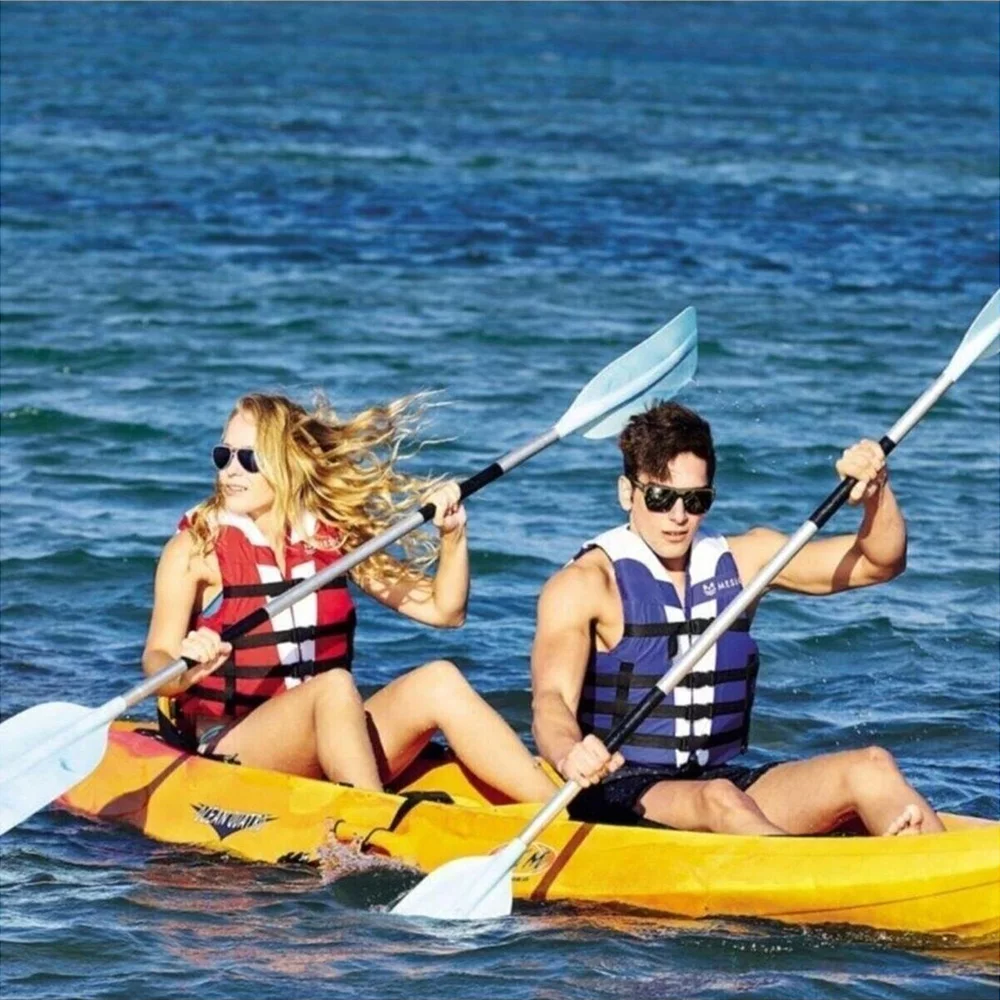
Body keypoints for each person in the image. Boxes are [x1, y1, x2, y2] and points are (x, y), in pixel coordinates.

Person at [531, 401, 945, 836]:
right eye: (660, 498)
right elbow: (550, 700)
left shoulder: (747, 561)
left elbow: (880, 563)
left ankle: (933, 862)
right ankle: (814, 872)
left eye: (696, 500)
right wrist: (569, 752)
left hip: (722, 777)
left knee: (873, 767)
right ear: (626, 493)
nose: (678, 516)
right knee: (720, 800)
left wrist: (876, 493)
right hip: (619, 787)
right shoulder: (584, 584)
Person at [143, 392, 557, 802]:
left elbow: (444, 611)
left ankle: (560, 815)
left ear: (289, 462)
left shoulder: (333, 538)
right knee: (334, 686)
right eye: (223, 456)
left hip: (332, 734)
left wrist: (452, 536)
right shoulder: (195, 548)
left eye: (249, 459)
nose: (230, 471)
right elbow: (155, 661)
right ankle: (372, 821)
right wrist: (186, 669)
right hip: (235, 744)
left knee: (439, 680)